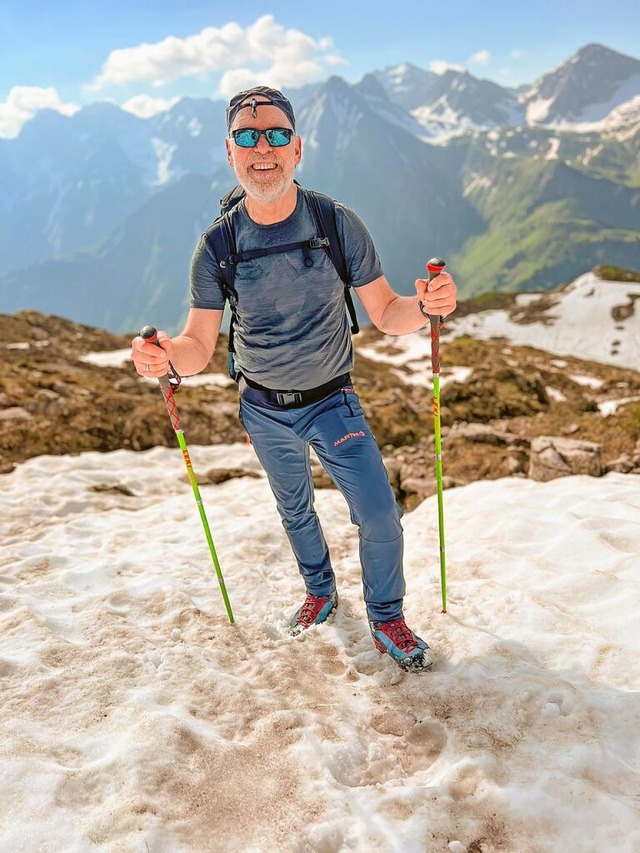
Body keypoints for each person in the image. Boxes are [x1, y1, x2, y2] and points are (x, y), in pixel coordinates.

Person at [131, 86, 457, 672]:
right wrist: (164, 360)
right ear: (230, 152)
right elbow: (199, 346)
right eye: (248, 137)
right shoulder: (218, 246)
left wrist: (428, 304)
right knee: (295, 507)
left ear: (298, 148)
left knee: (379, 512)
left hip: (332, 397)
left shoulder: (336, 224)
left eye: (277, 135)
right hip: (261, 407)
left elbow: (386, 313)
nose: (264, 147)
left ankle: (387, 617)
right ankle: (320, 591)